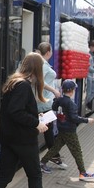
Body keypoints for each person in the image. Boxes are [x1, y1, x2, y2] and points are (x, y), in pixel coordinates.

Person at [0, 52, 64, 188]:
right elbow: (16, 111)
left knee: (4, 176)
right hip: (23, 141)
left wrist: (36, 117)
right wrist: (36, 123)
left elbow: (16, 111)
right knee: (34, 176)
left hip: (9, 139)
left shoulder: (14, 82)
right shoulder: (24, 85)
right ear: (37, 68)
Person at [40, 80, 94, 182]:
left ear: (62, 90)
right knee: (77, 151)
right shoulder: (71, 103)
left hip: (61, 128)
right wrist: (87, 120)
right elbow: (74, 118)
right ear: (72, 91)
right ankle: (82, 173)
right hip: (70, 131)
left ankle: (42, 163)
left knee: (55, 148)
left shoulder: (59, 100)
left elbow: (53, 107)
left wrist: (56, 100)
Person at [36, 42, 66, 172]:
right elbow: (39, 81)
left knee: (47, 131)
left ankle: (54, 156)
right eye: (51, 50)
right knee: (47, 131)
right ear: (48, 52)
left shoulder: (43, 63)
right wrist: (54, 90)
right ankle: (52, 157)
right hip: (43, 103)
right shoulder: (42, 64)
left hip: (45, 102)